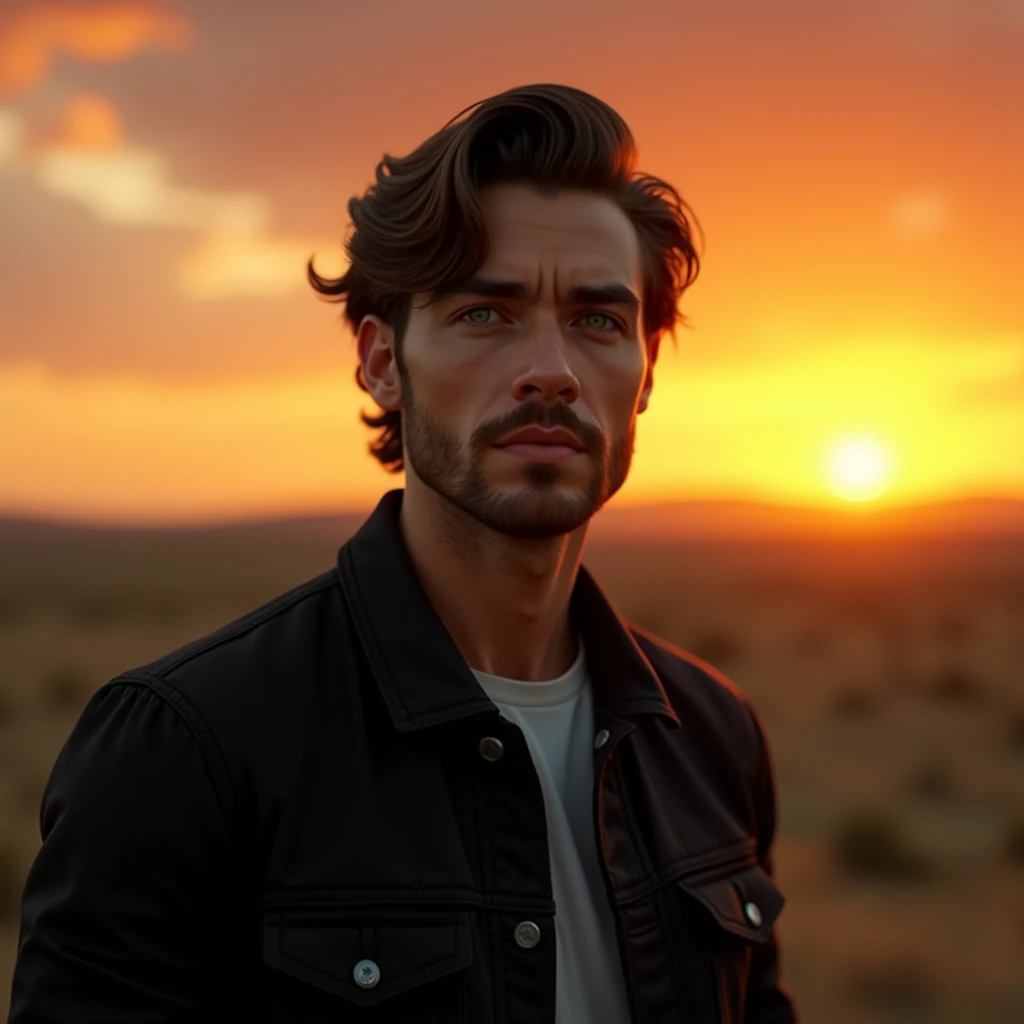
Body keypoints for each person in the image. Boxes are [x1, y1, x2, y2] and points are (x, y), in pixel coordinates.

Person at [7, 82, 797, 1023]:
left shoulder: (709, 737)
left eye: (598, 320)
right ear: (383, 360)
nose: (552, 368)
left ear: (646, 374)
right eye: (484, 313)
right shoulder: (186, 751)